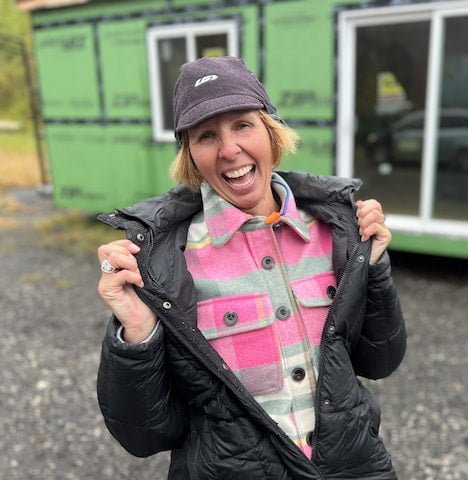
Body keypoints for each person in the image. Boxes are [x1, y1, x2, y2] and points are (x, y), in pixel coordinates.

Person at [96, 56, 406, 479]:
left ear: (271, 132)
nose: (229, 150)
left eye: (242, 125)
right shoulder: (163, 261)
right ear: (190, 154)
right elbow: (145, 435)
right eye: (206, 135)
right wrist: (136, 333)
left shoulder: (339, 232)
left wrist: (375, 267)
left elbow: (380, 359)